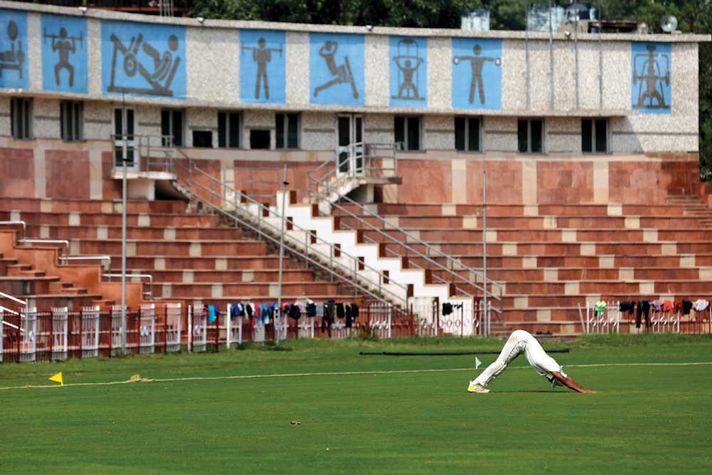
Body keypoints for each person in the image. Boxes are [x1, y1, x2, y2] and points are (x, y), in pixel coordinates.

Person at [467, 329, 594, 394]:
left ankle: (477, 384)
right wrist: (583, 390)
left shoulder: (548, 370)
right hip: (521, 339)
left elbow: (562, 380)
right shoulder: (549, 365)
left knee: (502, 364)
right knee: (501, 363)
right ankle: (476, 384)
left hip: (523, 341)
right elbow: (565, 380)